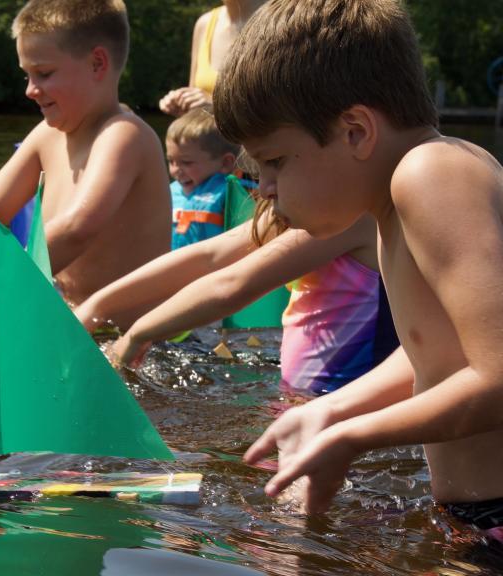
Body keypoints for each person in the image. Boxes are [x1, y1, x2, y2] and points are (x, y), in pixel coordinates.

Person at [210, 0, 503, 531]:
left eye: (274, 161)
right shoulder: (393, 203)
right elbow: (437, 354)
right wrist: (333, 410)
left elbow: (500, 373)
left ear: (356, 131)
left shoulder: (431, 175)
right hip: (473, 514)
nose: (265, 189)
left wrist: (355, 436)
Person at [0, 0, 170, 328]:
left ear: (97, 63)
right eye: (26, 75)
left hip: (137, 338)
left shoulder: (124, 135)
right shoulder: (46, 136)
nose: (30, 90)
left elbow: (78, 228)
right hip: (75, 325)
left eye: (43, 73)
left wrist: (5, 282)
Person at [76, 194, 397, 395]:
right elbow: (209, 256)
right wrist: (96, 306)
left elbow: (233, 284)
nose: (265, 188)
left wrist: (136, 334)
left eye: (276, 163)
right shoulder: (303, 201)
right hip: (308, 407)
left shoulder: (349, 215)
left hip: (346, 409)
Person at [158, 0, 267, 117]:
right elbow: (194, 99)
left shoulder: (277, 21)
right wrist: (182, 101)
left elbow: (280, 111)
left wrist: (215, 106)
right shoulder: (204, 24)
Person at [166, 106, 247, 250]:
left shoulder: (235, 194)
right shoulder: (169, 192)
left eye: (186, 162)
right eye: (170, 161)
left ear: (225, 163)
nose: (175, 170)